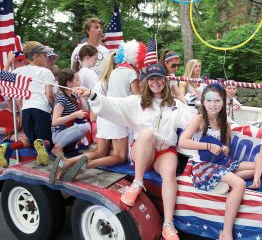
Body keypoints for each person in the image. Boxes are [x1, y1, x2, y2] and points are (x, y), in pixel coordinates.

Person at [73, 63, 193, 240]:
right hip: (143, 151)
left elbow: (195, 120)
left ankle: (168, 225)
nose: (155, 82)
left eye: (159, 78)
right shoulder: (137, 102)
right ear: (146, 81)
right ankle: (137, 183)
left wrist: (218, 118)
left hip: (164, 152)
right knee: (146, 134)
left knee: (169, 174)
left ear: (165, 80)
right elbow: (113, 104)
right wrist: (91, 94)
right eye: (151, 79)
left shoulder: (176, 105)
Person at [51, 40, 146, 182]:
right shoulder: (131, 73)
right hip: (117, 117)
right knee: (119, 157)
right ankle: (88, 165)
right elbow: (138, 99)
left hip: (104, 116)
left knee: (100, 151)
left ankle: (68, 162)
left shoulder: (112, 72)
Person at [178, 84, 255, 240]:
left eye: (217, 100)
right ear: (203, 102)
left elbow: (225, 146)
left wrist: (225, 148)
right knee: (239, 184)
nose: (213, 104)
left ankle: (222, 183)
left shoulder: (224, 123)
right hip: (203, 166)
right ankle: (226, 232)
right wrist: (208, 146)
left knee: (257, 167)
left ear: (224, 101)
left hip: (221, 162)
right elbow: (183, 142)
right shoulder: (199, 119)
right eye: (209, 100)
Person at [0, 42, 56, 167]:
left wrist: (9, 62)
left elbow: (3, 78)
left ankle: (8, 146)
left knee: (31, 140)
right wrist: (53, 107)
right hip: (41, 109)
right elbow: (49, 94)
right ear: (36, 56)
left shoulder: (19, 71)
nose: (47, 57)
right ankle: (43, 154)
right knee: (47, 140)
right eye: (44, 55)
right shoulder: (46, 72)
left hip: (26, 110)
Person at [50, 70, 90, 165]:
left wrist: (80, 96)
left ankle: (64, 153)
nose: (79, 82)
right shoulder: (61, 98)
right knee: (84, 127)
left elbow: (86, 110)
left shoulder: (72, 96)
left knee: (86, 125)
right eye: (77, 80)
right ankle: (57, 149)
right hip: (59, 134)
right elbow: (54, 122)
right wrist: (74, 115)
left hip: (67, 132)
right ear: (69, 83)